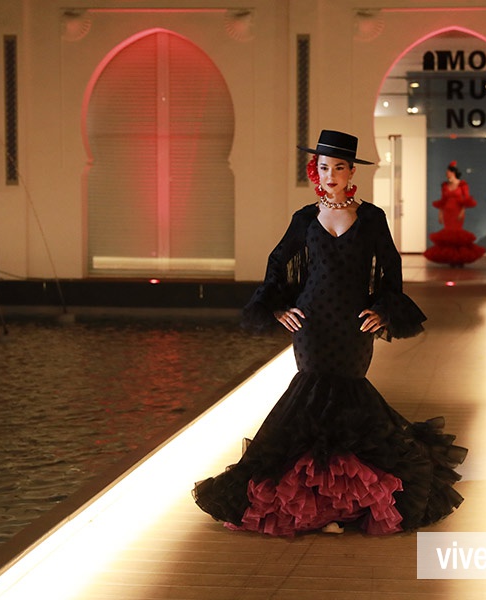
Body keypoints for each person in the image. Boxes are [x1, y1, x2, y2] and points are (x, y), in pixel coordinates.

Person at [193, 130, 467, 536]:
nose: (331, 175)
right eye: (324, 167)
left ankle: (350, 500)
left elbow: (391, 270)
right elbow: (277, 263)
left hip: (354, 325)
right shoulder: (305, 218)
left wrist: (384, 311)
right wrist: (277, 308)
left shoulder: (372, 218)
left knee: (349, 395)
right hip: (312, 324)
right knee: (311, 395)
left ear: (351, 171)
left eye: (339, 167)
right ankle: (313, 501)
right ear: (315, 171)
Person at [423, 161, 485, 267]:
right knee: (448, 233)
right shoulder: (445, 185)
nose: (446, 174)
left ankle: (459, 259)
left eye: (448, 172)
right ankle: (451, 259)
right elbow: (443, 200)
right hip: (447, 212)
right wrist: (440, 213)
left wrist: (462, 211)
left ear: (453, 172)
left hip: (457, 211)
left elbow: (466, 199)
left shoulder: (462, 184)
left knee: (457, 234)